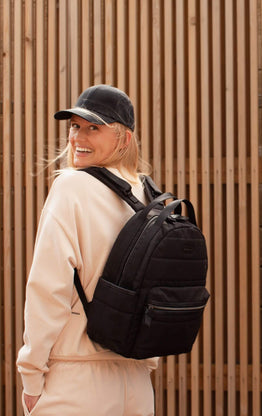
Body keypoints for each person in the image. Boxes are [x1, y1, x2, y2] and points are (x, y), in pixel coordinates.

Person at [16, 85, 158, 416]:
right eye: (75, 126)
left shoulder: (71, 187)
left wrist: (32, 377)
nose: (79, 137)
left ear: (123, 139)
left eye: (94, 127)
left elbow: (48, 290)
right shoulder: (147, 195)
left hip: (77, 381)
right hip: (137, 383)